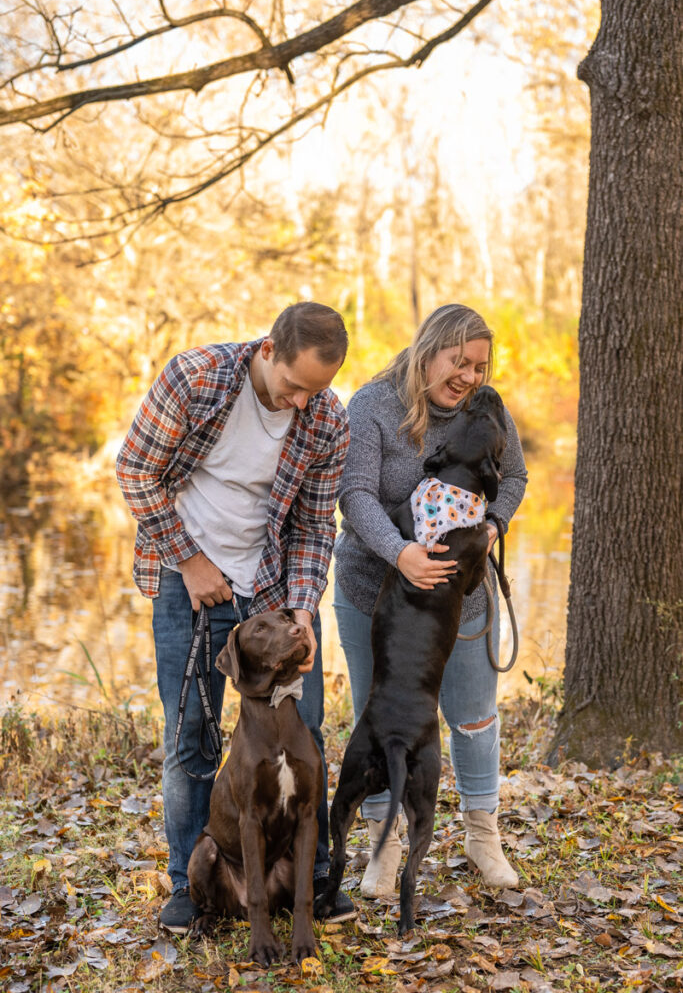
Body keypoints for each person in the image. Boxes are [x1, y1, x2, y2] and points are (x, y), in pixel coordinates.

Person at [116, 301, 356, 933]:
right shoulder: (197, 379)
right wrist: (190, 562)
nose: (304, 403)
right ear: (269, 351)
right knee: (190, 736)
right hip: (185, 581)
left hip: (272, 592)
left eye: (318, 391)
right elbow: (136, 472)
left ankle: (316, 878)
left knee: (306, 729)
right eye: (295, 387)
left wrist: (302, 611)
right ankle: (188, 882)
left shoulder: (328, 418)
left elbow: (312, 525)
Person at [333, 303, 527, 896]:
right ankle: (383, 852)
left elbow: (514, 477)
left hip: (460, 601)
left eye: (480, 366)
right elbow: (356, 492)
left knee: (472, 717)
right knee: (384, 719)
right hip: (375, 593)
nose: (470, 377)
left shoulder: (485, 411)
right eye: (459, 362)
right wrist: (400, 553)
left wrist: (492, 525)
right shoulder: (373, 406)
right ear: (429, 351)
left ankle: (481, 838)